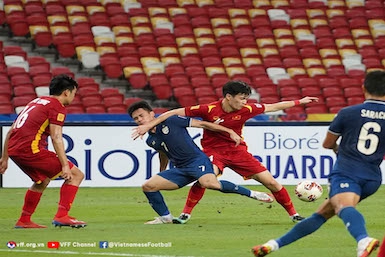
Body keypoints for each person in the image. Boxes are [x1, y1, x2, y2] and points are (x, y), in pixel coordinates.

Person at [132, 80, 318, 224]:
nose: (245, 102)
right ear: (229, 97)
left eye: (246, 98)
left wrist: (299, 102)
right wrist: (149, 125)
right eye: (242, 98)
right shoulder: (208, 109)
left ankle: (294, 215)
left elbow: (273, 106)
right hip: (214, 152)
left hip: (238, 152)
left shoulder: (247, 109)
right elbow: (171, 113)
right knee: (206, 179)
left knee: (271, 182)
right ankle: (185, 214)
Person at [252, 70, 385, 257]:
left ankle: (363, 240)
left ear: (363, 88)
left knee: (344, 207)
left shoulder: (348, 113)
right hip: (373, 178)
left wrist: (338, 150)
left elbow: (328, 143)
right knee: (322, 214)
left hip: (348, 172)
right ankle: (273, 245)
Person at [129, 100, 274, 224]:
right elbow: (163, 154)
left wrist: (229, 131)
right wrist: (162, 171)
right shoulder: (150, 140)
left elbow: (203, 124)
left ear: (152, 114)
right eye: (136, 119)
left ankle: (253, 194)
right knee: (148, 186)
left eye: (141, 116)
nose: (139, 120)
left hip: (197, 161)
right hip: (181, 169)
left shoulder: (172, 121)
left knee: (209, 183)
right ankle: (166, 218)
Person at [0, 74, 87, 229]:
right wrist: (64, 165)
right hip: (30, 150)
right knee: (76, 175)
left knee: (42, 180)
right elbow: (56, 136)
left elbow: (11, 130)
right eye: (74, 93)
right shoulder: (57, 106)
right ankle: (62, 216)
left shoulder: (35, 102)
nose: (73, 97)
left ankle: (24, 220)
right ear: (66, 92)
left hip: (15, 150)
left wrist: (5, 157)